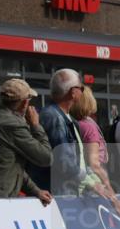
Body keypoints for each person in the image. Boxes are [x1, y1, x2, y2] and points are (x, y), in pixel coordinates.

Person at [31, 68, 114, 205]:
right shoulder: (54, 118)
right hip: (57, 195)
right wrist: (93, 184)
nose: (83, 91)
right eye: (81, 88)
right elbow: (65, 163)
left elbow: (77, 160)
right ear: (73, 92)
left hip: (64, 193)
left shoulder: (66, 118)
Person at [72, 86, 118, 207]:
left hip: (83, 181)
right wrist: (112, 194)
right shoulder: (88, 127)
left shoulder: (75, 123)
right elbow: (94, 164)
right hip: (95, 184)